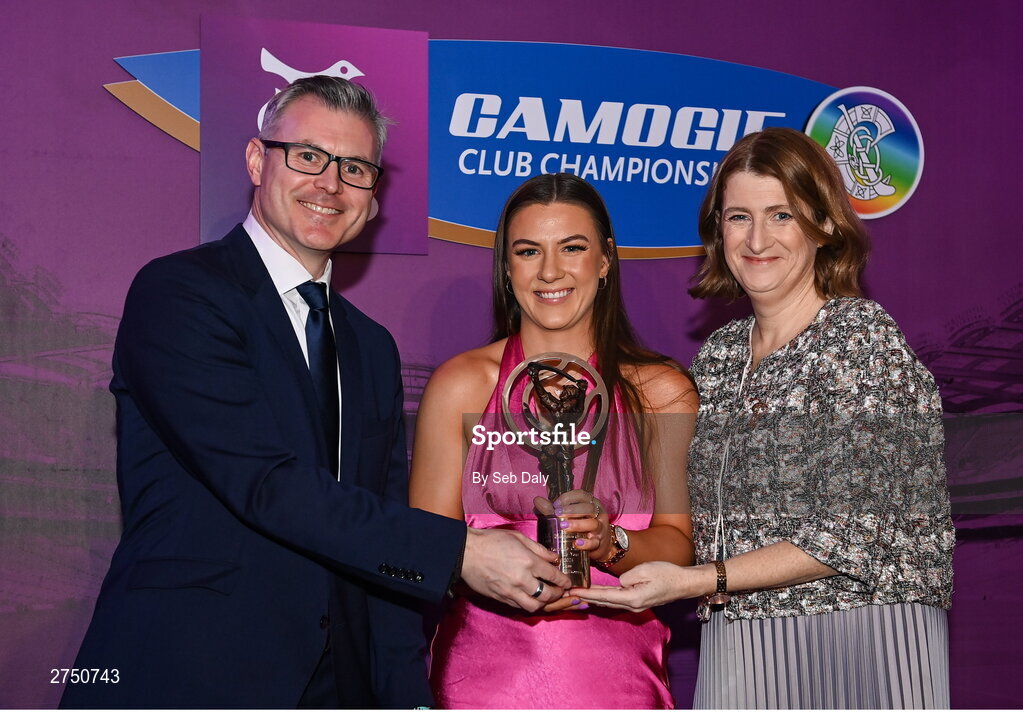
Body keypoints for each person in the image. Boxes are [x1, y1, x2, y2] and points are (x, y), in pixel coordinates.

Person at [60, 76, 570, 709]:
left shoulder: (371, 347)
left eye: (354, 168)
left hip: (339, 686)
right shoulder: (181, 295)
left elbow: (381, 523)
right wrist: (460, 550)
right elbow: (264, 482)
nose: (330, 184)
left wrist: (405, 693)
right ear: (255, 159)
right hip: (190, 670)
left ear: (374, 197)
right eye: (307, 156)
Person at [575, 127, 955, 708]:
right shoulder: (722, 357)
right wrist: (613, 538)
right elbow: (704, 523)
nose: (757, 239)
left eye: (781, 215)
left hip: (857, 638)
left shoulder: (860, 341)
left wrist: (699, 582)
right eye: (738, 217)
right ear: (718, 231)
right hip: (739, 639)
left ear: (825, 225)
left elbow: (855, 532)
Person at [410, 173, 699, 709]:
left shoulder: (661, 390)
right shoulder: (461, 385)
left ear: (606, 259)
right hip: (484, 679)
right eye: (527, 251)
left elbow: (678, 546)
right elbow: (424, 545)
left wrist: (612, 544)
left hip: (620, 680)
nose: (549, 272)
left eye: (572, 247)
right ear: (506, 266)